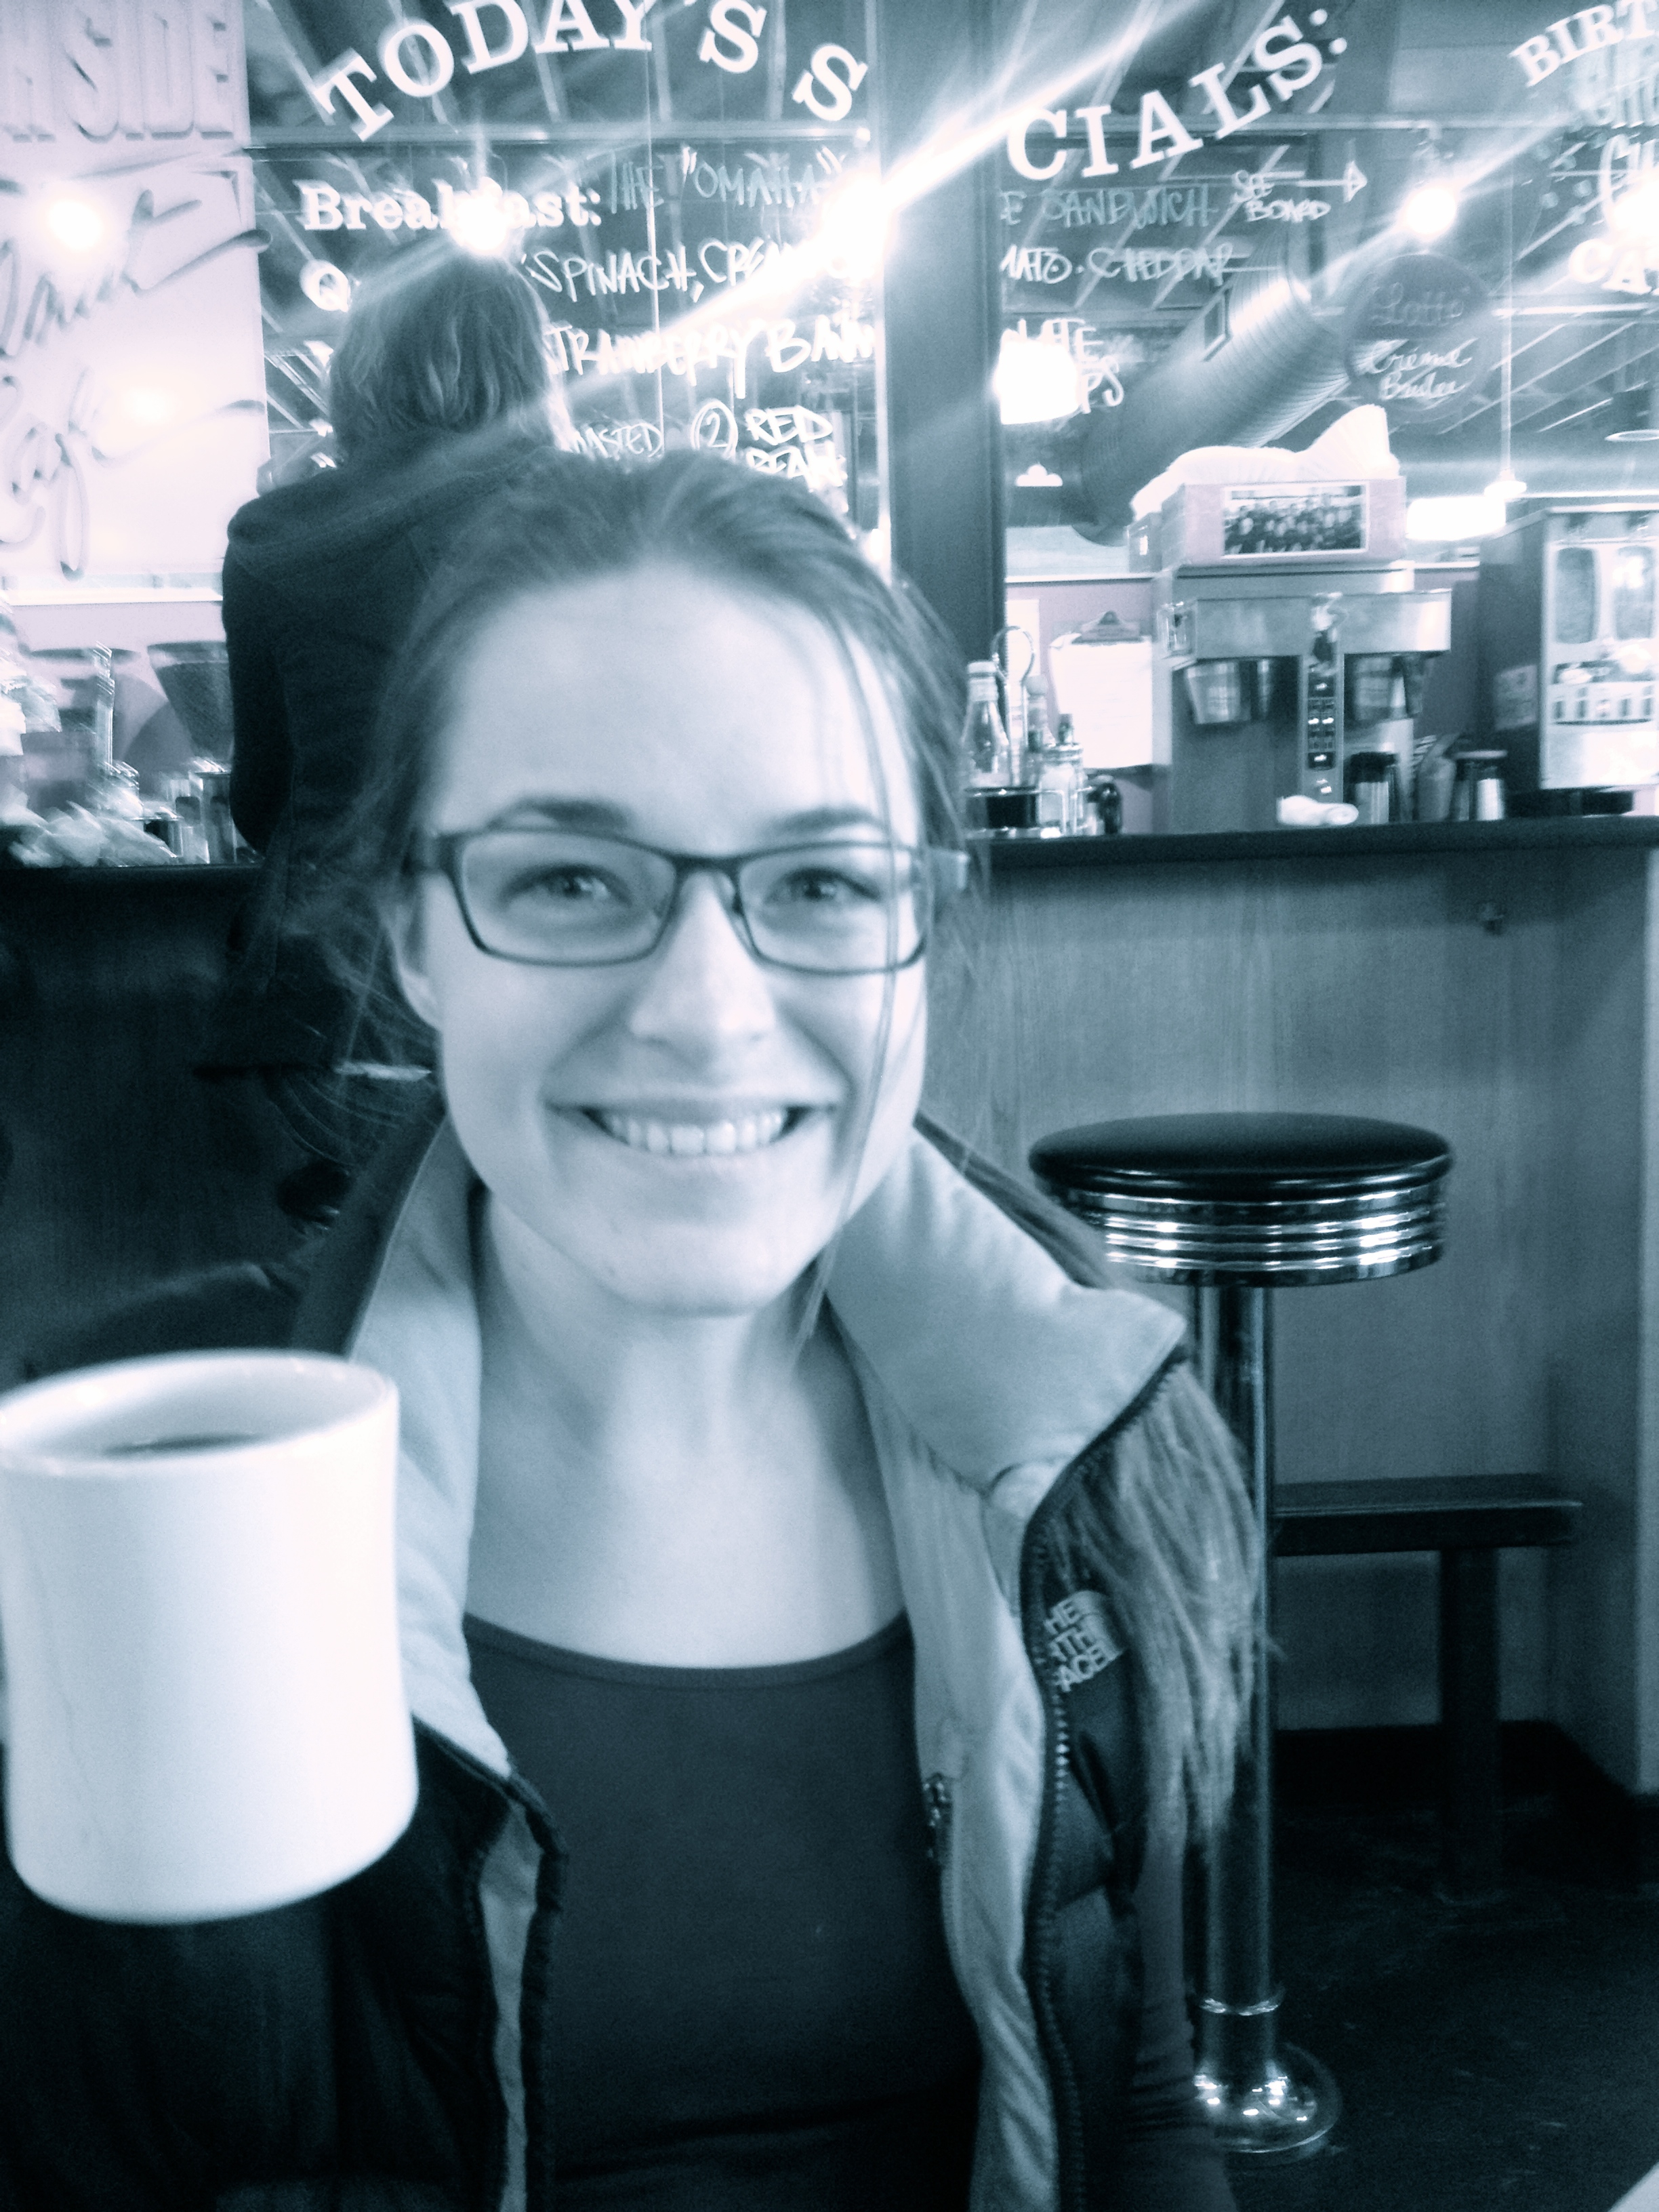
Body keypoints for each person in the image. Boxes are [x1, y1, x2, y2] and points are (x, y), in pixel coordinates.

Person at [1, 453, 1256, 2211]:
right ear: (413, 937)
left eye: (821, 883)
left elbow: (1142, 2109)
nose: (705, 1012)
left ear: (922, 926)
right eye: (571, 881)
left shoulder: (1083, 1436)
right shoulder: (119, 1504)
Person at [199, 247, 573, 1170]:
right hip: (546, 979)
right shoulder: (593, 519)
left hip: (332, 1003)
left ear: (357, 369)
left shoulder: (274, 536)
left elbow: (262, 804)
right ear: (529, 368)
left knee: (376, 1237)